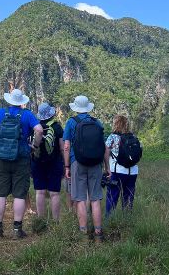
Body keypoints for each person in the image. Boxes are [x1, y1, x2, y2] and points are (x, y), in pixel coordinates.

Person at [0, 88, 43, 239]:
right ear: (21, 101)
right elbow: (39, 130)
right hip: (21, 157)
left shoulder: (0, 113)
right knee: (19, 194)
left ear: (9, 100)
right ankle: (17, 230)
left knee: (0, 194)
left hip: (1, 157)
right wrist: (34, 146)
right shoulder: (27, 114)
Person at [63, 95, 110, 242]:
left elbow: (66, 146)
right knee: (95, 199)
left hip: (77, 162)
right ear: (88, 107)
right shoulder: (98, 123)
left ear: (76, 108)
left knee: (80, 199)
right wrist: (107, 167)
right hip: (96, 163)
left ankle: (83, 235)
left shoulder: (71, 122)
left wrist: (66, 166)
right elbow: (104, 147)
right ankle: (98, 234)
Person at [30, 102, 64, 220]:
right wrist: (65, 164)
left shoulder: (35, 126)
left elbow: (32, 144)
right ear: (51, 114)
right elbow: (61, 147)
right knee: (54, 193)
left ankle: (41, 220)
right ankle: (55, 221)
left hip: (37, 162)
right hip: (54, 162)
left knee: (40, 192)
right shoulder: (57, 127)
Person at [105, 114, 140, 216]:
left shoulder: (112, 137)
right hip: (132, 172)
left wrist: (107, 167)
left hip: (116, 171)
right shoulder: (134, 137)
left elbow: (106, 152)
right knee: (128, 197)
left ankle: (110, 220)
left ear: (116, 124)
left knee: (112, 196)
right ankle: (127, 219)